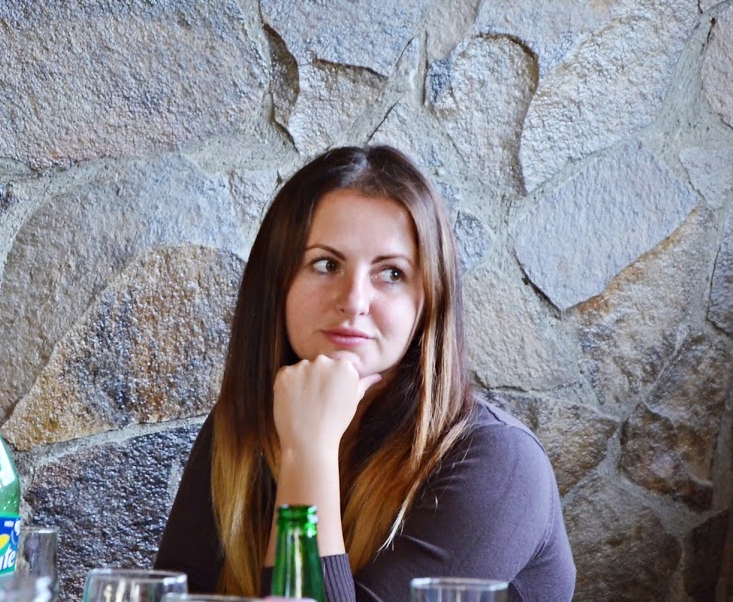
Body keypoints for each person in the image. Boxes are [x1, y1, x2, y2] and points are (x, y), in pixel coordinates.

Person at [154, 145, 576, 601]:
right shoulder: (246, 422)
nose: (354, 300)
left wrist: (309, 449)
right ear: (276, 283)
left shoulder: (500, 463)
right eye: (326, 264)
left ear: (429, 299)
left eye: (391, 273)